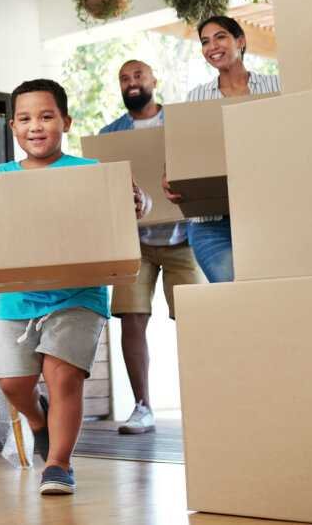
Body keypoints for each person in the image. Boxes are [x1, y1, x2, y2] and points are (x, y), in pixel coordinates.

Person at [0, 78, 148, 497]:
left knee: (62, 377)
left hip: (79, 294)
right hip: (18, 296)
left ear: (65, 122)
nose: (35, 126)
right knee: (13, 383)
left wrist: (139, 204)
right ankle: (38, 420)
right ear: (12, 128)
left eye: (46, 117)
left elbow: (133, 205)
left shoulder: (88, 172)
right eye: (25, 119)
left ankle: (58, 465)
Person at [100, 59, 203, 434]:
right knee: (132, 318)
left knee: (195, 320)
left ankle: (203, 401)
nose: (131, 83)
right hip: (136, 243)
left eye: (137, 76)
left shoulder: (178, 123)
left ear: (153, 81)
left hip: (183, 238)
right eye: (124, 78)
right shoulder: (110, 134)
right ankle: (142, 407)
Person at [163, 15, 280, 283]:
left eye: (220, 37)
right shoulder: (197, 97)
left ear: (240, 41)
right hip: (211, 222)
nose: (211, 46)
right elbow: (186, 149)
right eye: (205, 41)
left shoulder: (275, 87)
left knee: (269, 289)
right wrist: (171, 173)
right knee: (234, 291)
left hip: (266, 212)